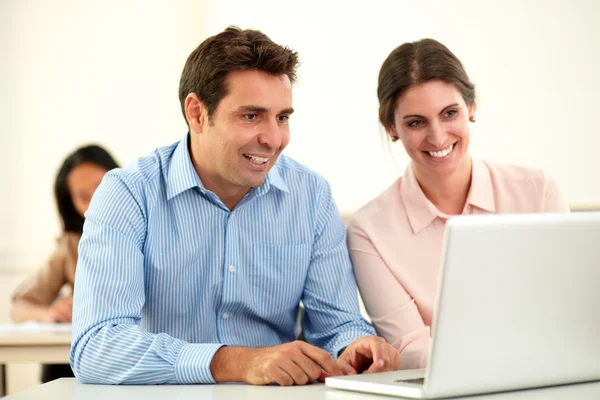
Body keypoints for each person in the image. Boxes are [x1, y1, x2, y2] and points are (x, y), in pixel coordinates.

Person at [70, 27, 400, 386]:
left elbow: (337, 327)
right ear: (197, 113)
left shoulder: (311, 196)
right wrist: (235, 362)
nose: (274, 139)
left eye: (282, 117)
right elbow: (96, 346)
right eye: (251, 116)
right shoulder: (128, 195)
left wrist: (353, 346)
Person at [347, 39, 570, 370]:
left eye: (449, 113)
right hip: (449, 382)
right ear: (392, 128)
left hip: (551, 370)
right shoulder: (369, 230)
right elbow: (408, 344)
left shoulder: (538, 192)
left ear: (472, 108)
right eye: (416, 122)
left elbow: (568, 307)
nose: (437, 137)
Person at [11, 144, 119, 383]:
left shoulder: (153, 229)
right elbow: (20, 306)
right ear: (72, 205)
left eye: (102, 187)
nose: (96, 201)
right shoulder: (72, 244)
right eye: (83, 197)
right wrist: (50, 313)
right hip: (87, 358)